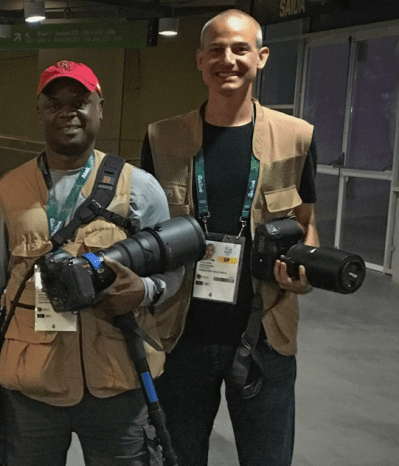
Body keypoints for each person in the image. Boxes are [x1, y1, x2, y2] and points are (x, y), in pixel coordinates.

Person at [0, 60, 181, 466]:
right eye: (54, 104)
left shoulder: (140, 187)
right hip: (31, 384)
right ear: (41, 112)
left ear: (100, 107)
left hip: (118, 377)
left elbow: (172, 269)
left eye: (80, 102)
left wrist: (145, 290)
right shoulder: (8, 191)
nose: (67, 113)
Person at [141, 9, 318, 466]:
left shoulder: (296, 137)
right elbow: (144, 229)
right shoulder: (162, 138)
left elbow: (306, 221)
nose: (228, 59)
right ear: (200, 61)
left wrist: (307, 271)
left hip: (265, 335)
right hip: (180, 336)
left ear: (261, 57)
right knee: (177, 457)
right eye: (216, 49)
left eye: (240, 48)